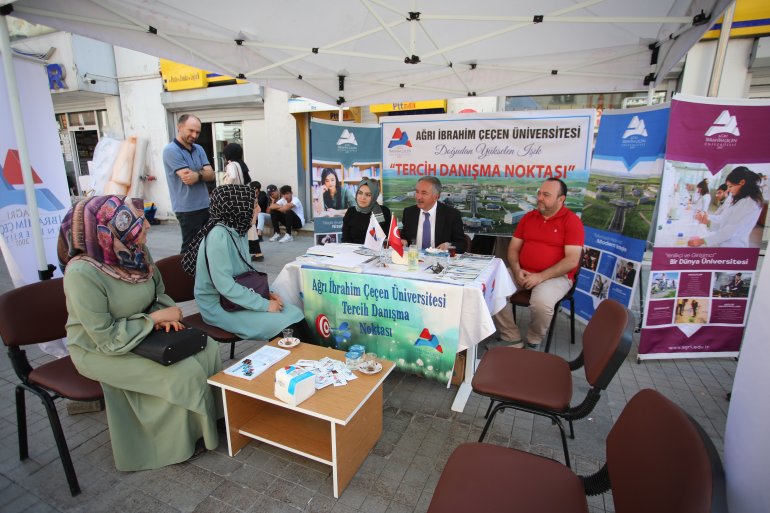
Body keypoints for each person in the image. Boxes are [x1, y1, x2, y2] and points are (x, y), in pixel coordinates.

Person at [58, 195, 222, 471]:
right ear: (107, 230)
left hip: (142, 331)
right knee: (181, 374)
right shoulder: (82, 273)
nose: (146, 225)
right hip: (98, 349)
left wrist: (164, 317)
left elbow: (158, 293)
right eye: (136, 220)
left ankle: (206, 426)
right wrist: (154, 319)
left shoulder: (136, 252)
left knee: (209, 349)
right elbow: (105, 336)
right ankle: (174, 446)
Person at [183, 185, 307, 341]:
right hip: (219, 306)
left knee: (296, 314)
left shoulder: (238, 230)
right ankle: (295, 363)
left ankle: (315, 361)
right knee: (284, 325)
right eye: (254, 205)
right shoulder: (218, 236)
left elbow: (246, 273)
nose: (259, 208)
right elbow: (226, 286)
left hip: (235, 299)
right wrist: (265, 305)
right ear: (237, 208)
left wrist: (266, 294)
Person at [492, 178, 584, 349]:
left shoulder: (571, 221)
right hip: (523, 271)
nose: (540, 198)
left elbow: (571, 260)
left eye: (546, 195)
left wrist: (540, 277)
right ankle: (511, 337)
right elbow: (513, 249)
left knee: (541, 303)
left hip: (555, 276)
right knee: (492, 288)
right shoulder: (529, 217)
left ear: (561, 199)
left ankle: (534, 340)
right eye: (539, 193)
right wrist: (517, 270)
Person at [162, 114, 216, 254]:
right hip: (187, 208)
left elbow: (211, 174)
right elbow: (188, 178)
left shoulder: (199, 149)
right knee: (190, 249)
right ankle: (184, 275)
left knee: (207, 246)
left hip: (205, 205)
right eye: (191, 130)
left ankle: (203, 274)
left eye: (197, 132)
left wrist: (197, 175)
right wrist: (202, 173)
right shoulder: (171, 150)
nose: (194, 135)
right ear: (179, 127)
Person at [688, 166, 764, 248]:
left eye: (730, 186)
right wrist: (708, 219)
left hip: (733, 246)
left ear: (742, 182)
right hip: (724, 242)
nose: (728, 190)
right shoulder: (740, 199)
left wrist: (703, 241)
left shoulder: (750, 202)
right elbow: (724, 219)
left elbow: (730, 230)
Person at [400, 176, 466, 253]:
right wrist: (403, 241)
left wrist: (448, 245)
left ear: (436, 196)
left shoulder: (451, 215)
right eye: (417, 192)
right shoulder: (409, 212)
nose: (418, 197)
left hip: (439, 261)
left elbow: (462, 245)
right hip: (414, 260)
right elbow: (404, 237)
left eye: (424, 193)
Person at [341, 177, 392, 244]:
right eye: (360, 193)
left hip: (376, 252)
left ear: (374, 196)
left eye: (368, 195)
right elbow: (345, 239)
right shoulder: (351, 211)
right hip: (353, 252)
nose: (362, 197)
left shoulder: (384, 211)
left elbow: (387, 239)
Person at [247, 181, 266, 261]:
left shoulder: (260, 195)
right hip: (251, 219)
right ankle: (258, 254)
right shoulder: (251, 196)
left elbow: (258, 209)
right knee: (251, 237)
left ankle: (258, 254)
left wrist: (254, 219)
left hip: (252, 220)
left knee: (252, 237)